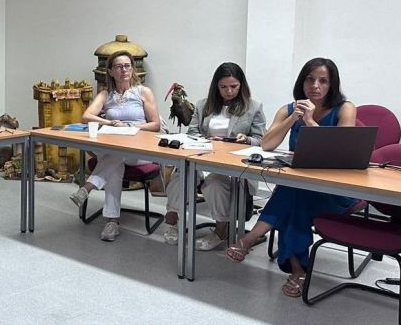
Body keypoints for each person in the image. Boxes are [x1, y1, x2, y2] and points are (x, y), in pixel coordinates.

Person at [224, 57, 358, 297]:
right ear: (301, 82)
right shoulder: (288, 109)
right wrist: (293, 118)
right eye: (310, 79)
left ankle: (251, 238)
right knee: (296, 193)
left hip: (335, 189)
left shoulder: (345, 108)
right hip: (301, 185)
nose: (315, 85)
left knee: (292, 194)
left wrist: (310, 121)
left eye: (323, 81)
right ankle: (297, 271)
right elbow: (266, 144)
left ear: (332, 85)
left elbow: (341, 151)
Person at [161, 63, 267, 250]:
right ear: (216, 86)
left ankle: (220, 230)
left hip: (231, 165)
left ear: (241, 85)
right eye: (223, 87)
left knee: (214, 183)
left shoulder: (253, 107)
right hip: (202, 156)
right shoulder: (203, 105)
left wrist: (246, 139)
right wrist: (206, 139)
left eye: (233, 86)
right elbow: (193, 132)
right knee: (181, 175)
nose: (229, 91)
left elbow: (261, 140)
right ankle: (172, 220)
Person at [70, 51, 161, 242]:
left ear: (132, 69)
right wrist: (110, 123)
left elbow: (155, 125)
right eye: (119, 67)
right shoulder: (106, 94)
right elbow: (86, 116)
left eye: (127, 66)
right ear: (111, 71)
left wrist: (130, 126)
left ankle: (88, 188)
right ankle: (111, 223)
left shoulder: (143, 92)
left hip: (139, 150)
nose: (124, 70)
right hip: (113, 147)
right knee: (115, 161)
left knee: (114, 157)